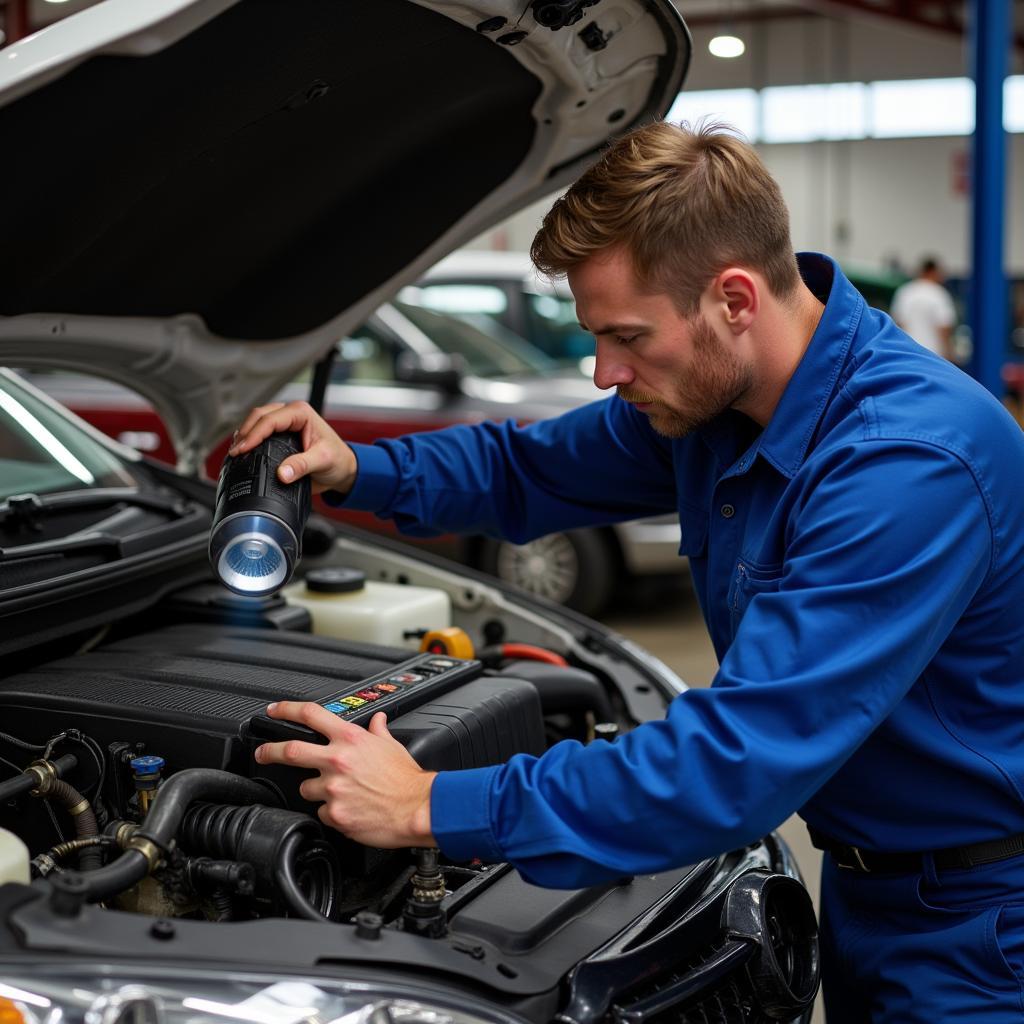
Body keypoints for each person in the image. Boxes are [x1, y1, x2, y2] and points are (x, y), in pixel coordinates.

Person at [232, 122, 1024, 1022]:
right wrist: (359, 471)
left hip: (984, 928)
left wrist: (431, 804)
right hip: (868, 890)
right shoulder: (722, 401)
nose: (607, 373)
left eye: (628, 337)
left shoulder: (904, 466)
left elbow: (732, 765)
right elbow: (526, 469)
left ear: (734, 299)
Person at [890, 255, 957, 360]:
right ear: (932, 271)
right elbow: (944, 327)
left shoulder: (905, 291)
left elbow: (899, 323)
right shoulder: (939, 294)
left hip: (909, 352)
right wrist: (949, 354)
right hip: (933, 355)